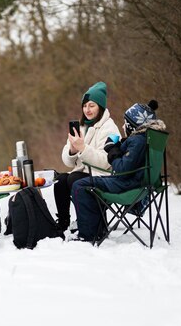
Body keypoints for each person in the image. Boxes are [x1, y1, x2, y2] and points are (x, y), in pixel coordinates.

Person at [71, 100, 165, 242]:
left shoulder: (138, 141)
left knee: (80, 185)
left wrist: (112, 150)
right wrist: (119, 146)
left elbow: (121, 168)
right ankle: (97, 229)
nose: (122, 126)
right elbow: (131, 163)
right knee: (85, 184)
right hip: (139, 183)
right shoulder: (148, 138)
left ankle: (89, 235)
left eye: (125, 122)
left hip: (127, 184)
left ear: (132, 125)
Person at [54, 81, 121, 231]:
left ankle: (85, 221)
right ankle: (63, 223)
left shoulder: (110, 129)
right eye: (84, 106)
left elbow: (106, 162)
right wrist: (72, 150)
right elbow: (68, 163)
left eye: (92, 105)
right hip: (84, 173)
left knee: (73, 178)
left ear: (100, 107)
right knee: (60, 180)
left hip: (104, 176)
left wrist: (83, 148)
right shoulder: (81, 126)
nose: (87, 110)